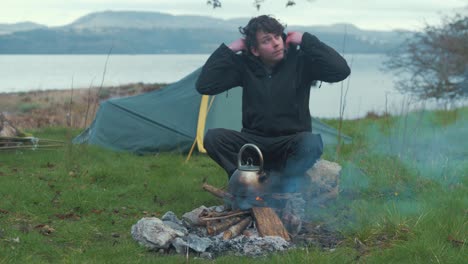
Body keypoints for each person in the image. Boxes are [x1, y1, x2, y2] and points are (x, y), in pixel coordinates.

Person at [195, 15, 350, 193]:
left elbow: (341, 70)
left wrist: (306, 40)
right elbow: (204, 85)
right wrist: (230, 49)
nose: (276, 43)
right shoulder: (245, 67)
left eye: (277, 36)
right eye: (266, 40)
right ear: (254, 50)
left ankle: (280, 185)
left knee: (311, 143)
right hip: (254, 144)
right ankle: (245, 181)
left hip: (289, 144)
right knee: (214, 138)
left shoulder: (301, 62)